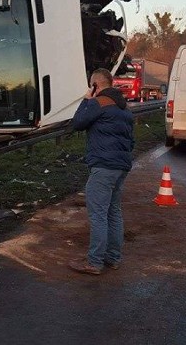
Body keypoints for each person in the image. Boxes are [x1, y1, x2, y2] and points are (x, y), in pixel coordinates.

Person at [68, 68, 134, 275]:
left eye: (91, 85)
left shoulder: (99, 103)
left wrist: (86, 100)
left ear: (96, 85)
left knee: (98, 215)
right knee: (113, 212)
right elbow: (131, 141)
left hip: (103, 166)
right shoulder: (124, 108)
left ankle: (94, 262)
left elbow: (77, 123)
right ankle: (113, 258)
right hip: (121, 166)